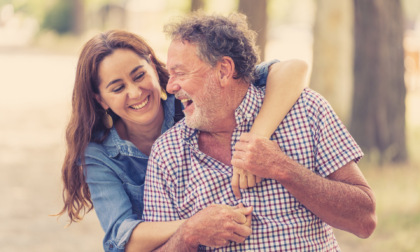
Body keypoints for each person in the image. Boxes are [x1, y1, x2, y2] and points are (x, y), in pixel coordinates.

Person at [142, 12, 377, 251]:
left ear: (223, 70)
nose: (170, 87)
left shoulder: (306, 110)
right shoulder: (168, 152)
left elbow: (365, 221)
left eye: (180, 73)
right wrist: (189, 234)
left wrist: (283, 168)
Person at [57, 29, 308, 252]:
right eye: (117, 88)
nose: (135, 93)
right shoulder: (99, 155)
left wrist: (255, 140)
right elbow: (123, 241)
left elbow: (294, 68)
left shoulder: (191, 101)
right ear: (101, 100)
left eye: (139, 76)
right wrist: (196, 225)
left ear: (154, 69)